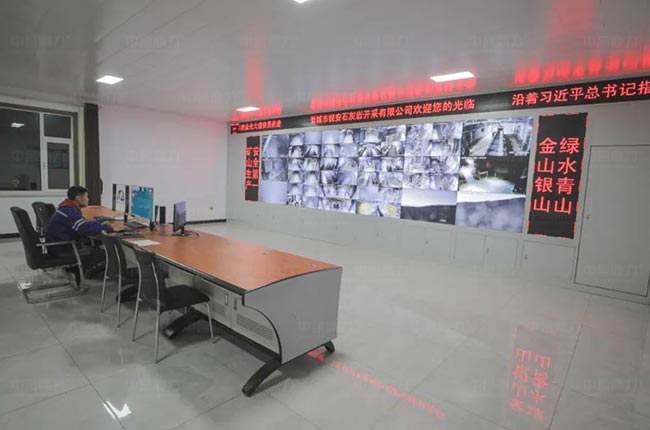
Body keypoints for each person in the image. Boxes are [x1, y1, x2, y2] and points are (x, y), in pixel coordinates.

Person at [46, 185, 113, 282]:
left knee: (97, 248)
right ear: (79, 198)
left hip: (58, 245)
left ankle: (82, 270)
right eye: (86, 196)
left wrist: (99, 224)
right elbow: (84, 229)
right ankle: (87, 273)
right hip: (62, 249)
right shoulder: (70, 211)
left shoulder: (67, 207)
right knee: (103, 253)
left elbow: (83, 224)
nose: (88, 199)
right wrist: (108, 228)